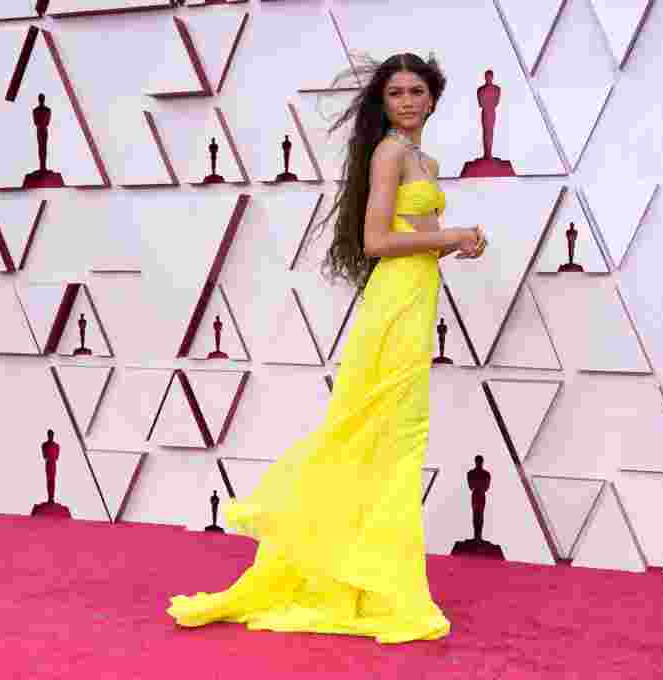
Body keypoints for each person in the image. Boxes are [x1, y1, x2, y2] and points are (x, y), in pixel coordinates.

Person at [166, 53, 487, 644]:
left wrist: (455, 246)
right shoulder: (389, 153)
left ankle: (371, 580)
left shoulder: (426, 160)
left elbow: (414, 244)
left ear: (435, 99)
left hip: (417, 299)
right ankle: (368, 583)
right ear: (383, 103)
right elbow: (374, 240)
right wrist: (453, 233)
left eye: (418, 91)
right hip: (393, 306)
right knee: (378, 434)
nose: (409, 101)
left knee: (393, 440)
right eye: (396, 93)